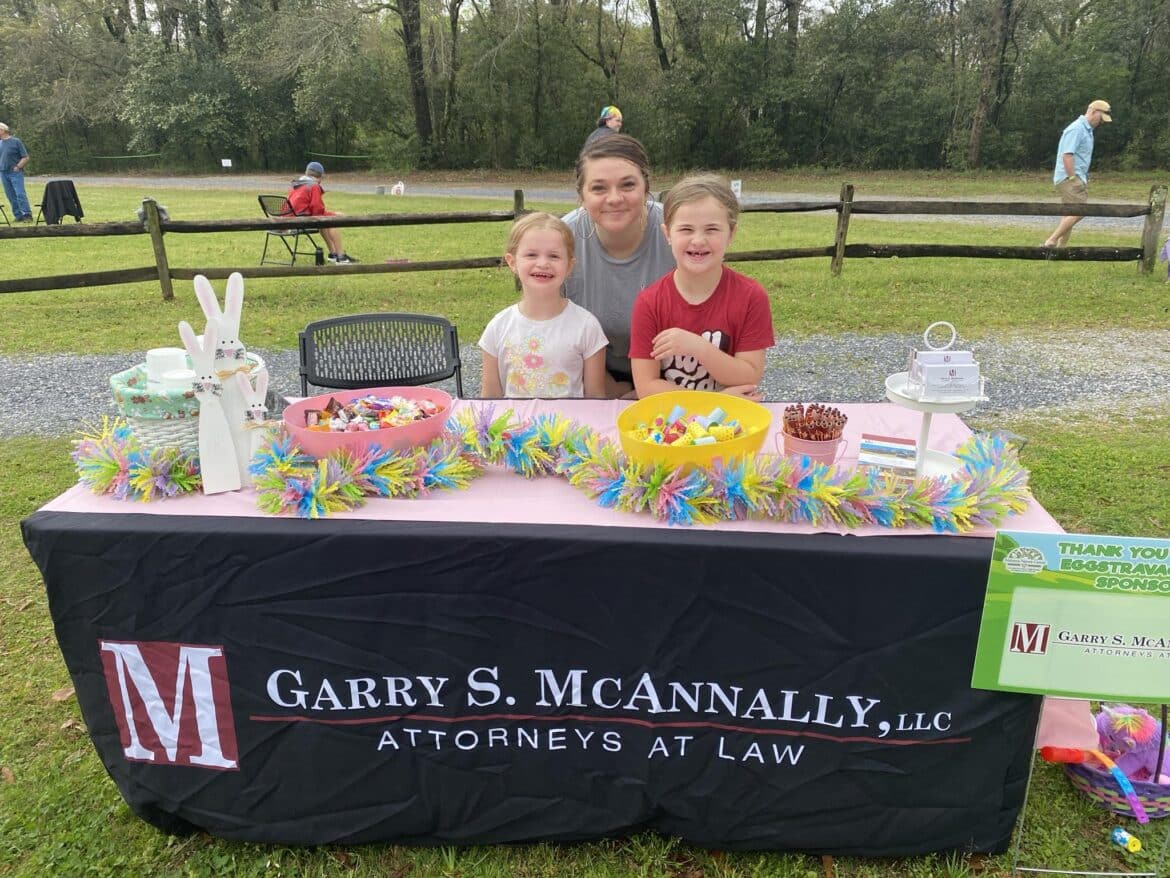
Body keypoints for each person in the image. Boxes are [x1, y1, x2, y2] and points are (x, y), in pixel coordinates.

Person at [629, 174, 774, 401]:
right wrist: (716, 401)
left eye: (711, 229)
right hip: (670, 419)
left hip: (732, 418)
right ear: (667, 234)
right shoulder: (649, 302)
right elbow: (646, 387)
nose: (698, 240)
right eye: (686, 229)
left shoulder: (751, 297)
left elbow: (749, 375)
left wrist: (699, 348)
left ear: (731, 234)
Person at [562, 134, 675, 398]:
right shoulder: (561, 240)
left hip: (675, 377)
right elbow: (546, 324)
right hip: (592, 378)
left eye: (627, 185)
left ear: (646, 188)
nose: (614, 198)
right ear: (581, 195)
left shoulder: (678, 231)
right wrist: (608, 387)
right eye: (599, 188)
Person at [479, 212, 608, 398]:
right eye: (531, 254)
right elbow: (489, 399)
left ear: (569, 266)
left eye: (554, 256)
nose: (543, 263)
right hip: (514, 419)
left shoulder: (587, 327)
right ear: (512, 262)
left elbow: (596, 400)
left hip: (570, 418)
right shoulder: (497, 328)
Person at [1043, 100, 1112, 248]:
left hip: (1075, 177)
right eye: (1101, 118)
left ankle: (1061, 249)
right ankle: (1051, 241)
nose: (1102, 122)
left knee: (1069, 214)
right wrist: (1073, 178)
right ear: (1093, 112)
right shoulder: (1077, 129)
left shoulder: (1087, 130)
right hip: (1069, 178)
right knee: (1080, 211)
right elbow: (1067, 155)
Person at [286, 161, 359, 264]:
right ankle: (341, 256)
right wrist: (334, 215)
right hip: (299, 222)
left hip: (288, 221)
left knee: (324, 223)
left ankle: (333, 254)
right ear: (320, 176)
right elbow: (318, 211)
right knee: (333, 222)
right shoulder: (314, 186)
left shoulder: (296, 184)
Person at [0, 122, 33, 222]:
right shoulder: (0, 143)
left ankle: (27, 215)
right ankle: (18, 216)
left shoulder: (16, 141)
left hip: (15, 173)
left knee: (20, 194)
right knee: (10, 195)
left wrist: (18, 166)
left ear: (2, 130)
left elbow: (25, 157)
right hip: (3, 173)